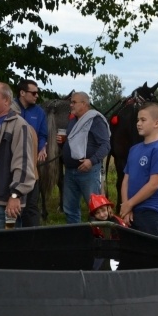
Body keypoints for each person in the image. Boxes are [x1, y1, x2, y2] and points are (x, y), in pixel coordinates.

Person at [0, 82, 37, 229]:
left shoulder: (18, 125)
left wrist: (15, 195)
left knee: (7, 248)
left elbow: (23, 162)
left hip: (4, 203)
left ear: (6, 100)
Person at [119, 104, 158, 237]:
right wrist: (127, 206)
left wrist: (129, 204)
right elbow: (126, 180)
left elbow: (154, 184)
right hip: (132, 210)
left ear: (156, 123)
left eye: (143, 120)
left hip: (152, 211)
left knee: (151, 255)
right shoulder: (134, 149)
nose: (138, 123)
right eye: (138, 120)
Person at [62, 91, 110, 224]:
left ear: (84, 104)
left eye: (74, 102)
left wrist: (91, 161)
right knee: (70, 208)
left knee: (96, 209)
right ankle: (76, 239)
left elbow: (105, 145)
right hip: (71, 171)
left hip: (88, 171)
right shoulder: (73, 121)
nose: (71, 105)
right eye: (71, 102)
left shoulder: (95, 120)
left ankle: (99, 239)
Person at [12, 79, 47, 227]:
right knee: (14, 203)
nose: (36, 96)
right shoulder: (9, 108)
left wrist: (42, 148)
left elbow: (43, 135)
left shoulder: (39, 112)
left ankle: (33, 237)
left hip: (32, 166)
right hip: (13, 164)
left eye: (37, 93)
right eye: (33, 93)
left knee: (32, 205)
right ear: (22, 93)